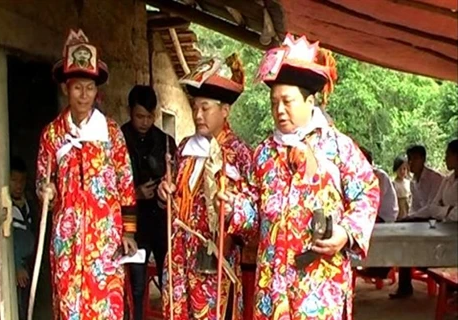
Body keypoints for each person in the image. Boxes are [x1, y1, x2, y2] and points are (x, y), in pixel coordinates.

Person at [218, 33, 380, 319]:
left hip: (319, 285)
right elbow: (255, 211)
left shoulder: (337, 147)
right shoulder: (265, 154)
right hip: (273, 285)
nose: (279, 110)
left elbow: (367, 192)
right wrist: (235, 208)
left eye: (288, 101)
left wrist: (345, 233)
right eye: (274, 102)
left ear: (309, 101)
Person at [35, 29, 138, 320]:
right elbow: (43, 181)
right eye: (77, 87)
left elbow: (126, 183)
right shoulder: (53, 134)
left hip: (105, 238)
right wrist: (46, 191)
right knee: (70, 307)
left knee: (106, 308)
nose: (83, 94)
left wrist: (128, 232)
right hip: (67, 241)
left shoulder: (112, 133)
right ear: (66, 88)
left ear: (97, 92)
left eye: (89, 88)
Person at [157, 53, 254, 320]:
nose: (198, 115)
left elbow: (252, 214)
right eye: (195, 107)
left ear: (225, 110)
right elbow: (175, 194)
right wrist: (164, 193)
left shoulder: (239, 154)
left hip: (213, 258)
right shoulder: (184, 148)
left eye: (206, 108)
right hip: (178, 255)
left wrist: (231, 223)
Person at [121, 85, 176, 320]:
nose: (144, 122)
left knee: (169, 281)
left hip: (161, 223)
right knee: (137, 285)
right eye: (139, 116)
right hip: (133, 225)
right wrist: (135, 193)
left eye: (149, 117)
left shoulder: (165, 142)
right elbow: (109, 185)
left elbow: (176, 180)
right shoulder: (118, 139)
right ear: (129, 111)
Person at [390, 144, 444, 299]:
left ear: (422, 159)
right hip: (420, 220)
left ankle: (427, 268)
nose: (410, 163)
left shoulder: (435, 179)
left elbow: (432, 208)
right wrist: (409, 218)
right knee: (402, 235)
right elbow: (415, 207)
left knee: (404, 229)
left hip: (435, 221)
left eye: (413, 159)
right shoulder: (413, 182)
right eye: (409, 159)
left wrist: (411, 218)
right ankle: (405, 285)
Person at [11, 156, 35, 320]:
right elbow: (9, 241)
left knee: (27, 304)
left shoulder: (28, 204)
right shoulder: (7, 207)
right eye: (14, 180)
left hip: (28, 264)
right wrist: (17, 265)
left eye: (22, 180)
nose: (19, 185)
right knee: (17, 305)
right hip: (15, 267)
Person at [360, 147, 399, 223]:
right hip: (373, 213)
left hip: (385, 216)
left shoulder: (380, 176)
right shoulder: (360, 177)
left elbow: (375, 201)